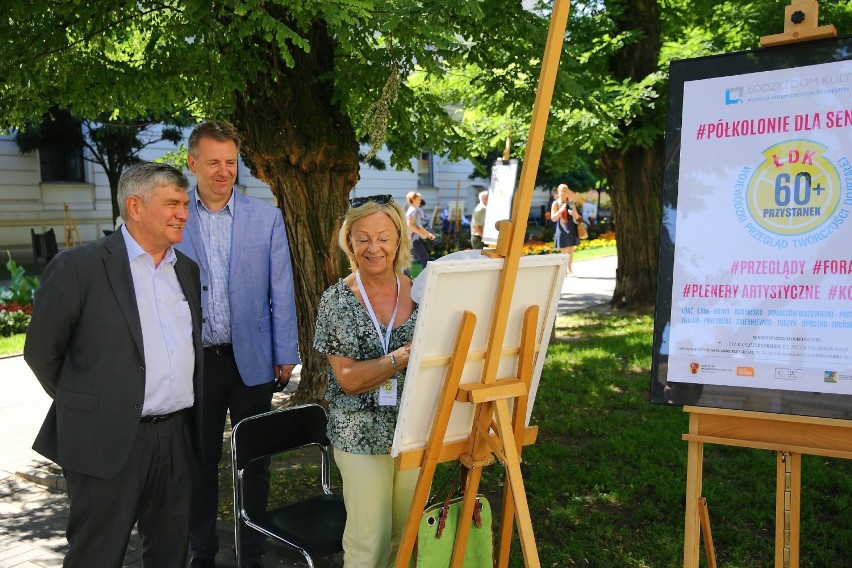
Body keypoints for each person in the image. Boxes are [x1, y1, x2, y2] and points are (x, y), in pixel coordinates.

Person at [23, 162, 203, 567]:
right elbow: (41, 353)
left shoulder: (186, 270)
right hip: (105, 439)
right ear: (135, 207)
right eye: (172, 203)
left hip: (175, 438)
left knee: (171, 552)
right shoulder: (79, 268)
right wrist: (94, 402)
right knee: (97, 555)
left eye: (185, 204)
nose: (184, 213)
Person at [175, 120, 300, 568]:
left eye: (230, 161)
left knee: (254, 462)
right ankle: (202, 552)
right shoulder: (175, 215)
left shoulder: (264, 216)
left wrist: (286, 352)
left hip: (253, 362)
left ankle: (253, 553)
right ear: (192, 164)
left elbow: (280, 288)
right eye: (213, 162)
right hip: (195, 365)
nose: (223, 171)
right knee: (200, 464)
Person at [313, 194, 420, 566]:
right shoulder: (337, 300)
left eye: (384, 237)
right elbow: (349, 380)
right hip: (360, 432)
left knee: (404, 538)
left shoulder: (423, 292)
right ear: (349, 242)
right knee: (369, 542)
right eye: (363, 238)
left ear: (399, 239)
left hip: (413, 430)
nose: (374, 247)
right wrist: (402, 357)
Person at [551, 183, 581, 275]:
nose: (563, 193)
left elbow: (577, 218)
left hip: (571, 227)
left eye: (565, 191)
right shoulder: (556, 203)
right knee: (565, 251)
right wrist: (560, 211)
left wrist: (573, 214)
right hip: (561, 228)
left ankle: (569, 269)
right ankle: (564, 270)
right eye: (561, 191)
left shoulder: (570, 203)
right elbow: (553, 218)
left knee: (571, 249)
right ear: (558, 192)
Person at [405, 191, 435, 269]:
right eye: (418, 199)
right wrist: (423, 234)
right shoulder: (414, 211)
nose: (420, 201)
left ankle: (405, 277)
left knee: (408, 260)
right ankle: (427, 277)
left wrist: (428, 234)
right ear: (413, 200)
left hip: (412, 239)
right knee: (424, 257)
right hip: (412, 240)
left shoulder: (414, 209)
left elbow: (418, 226)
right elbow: (410, 225)